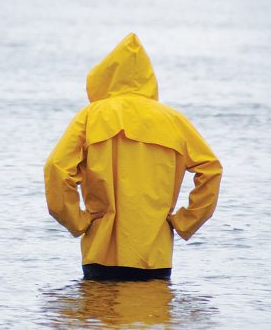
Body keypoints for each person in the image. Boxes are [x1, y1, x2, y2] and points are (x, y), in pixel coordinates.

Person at [44, 33, 222, 281]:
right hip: (155, 254)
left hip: (101, 251)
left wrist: (78, 221)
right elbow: (211, 169)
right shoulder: (174, 121)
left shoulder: (91, 116)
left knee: (98, 317)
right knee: (153, 314)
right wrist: (185, 221)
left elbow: (56, 168)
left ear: (106, 74)